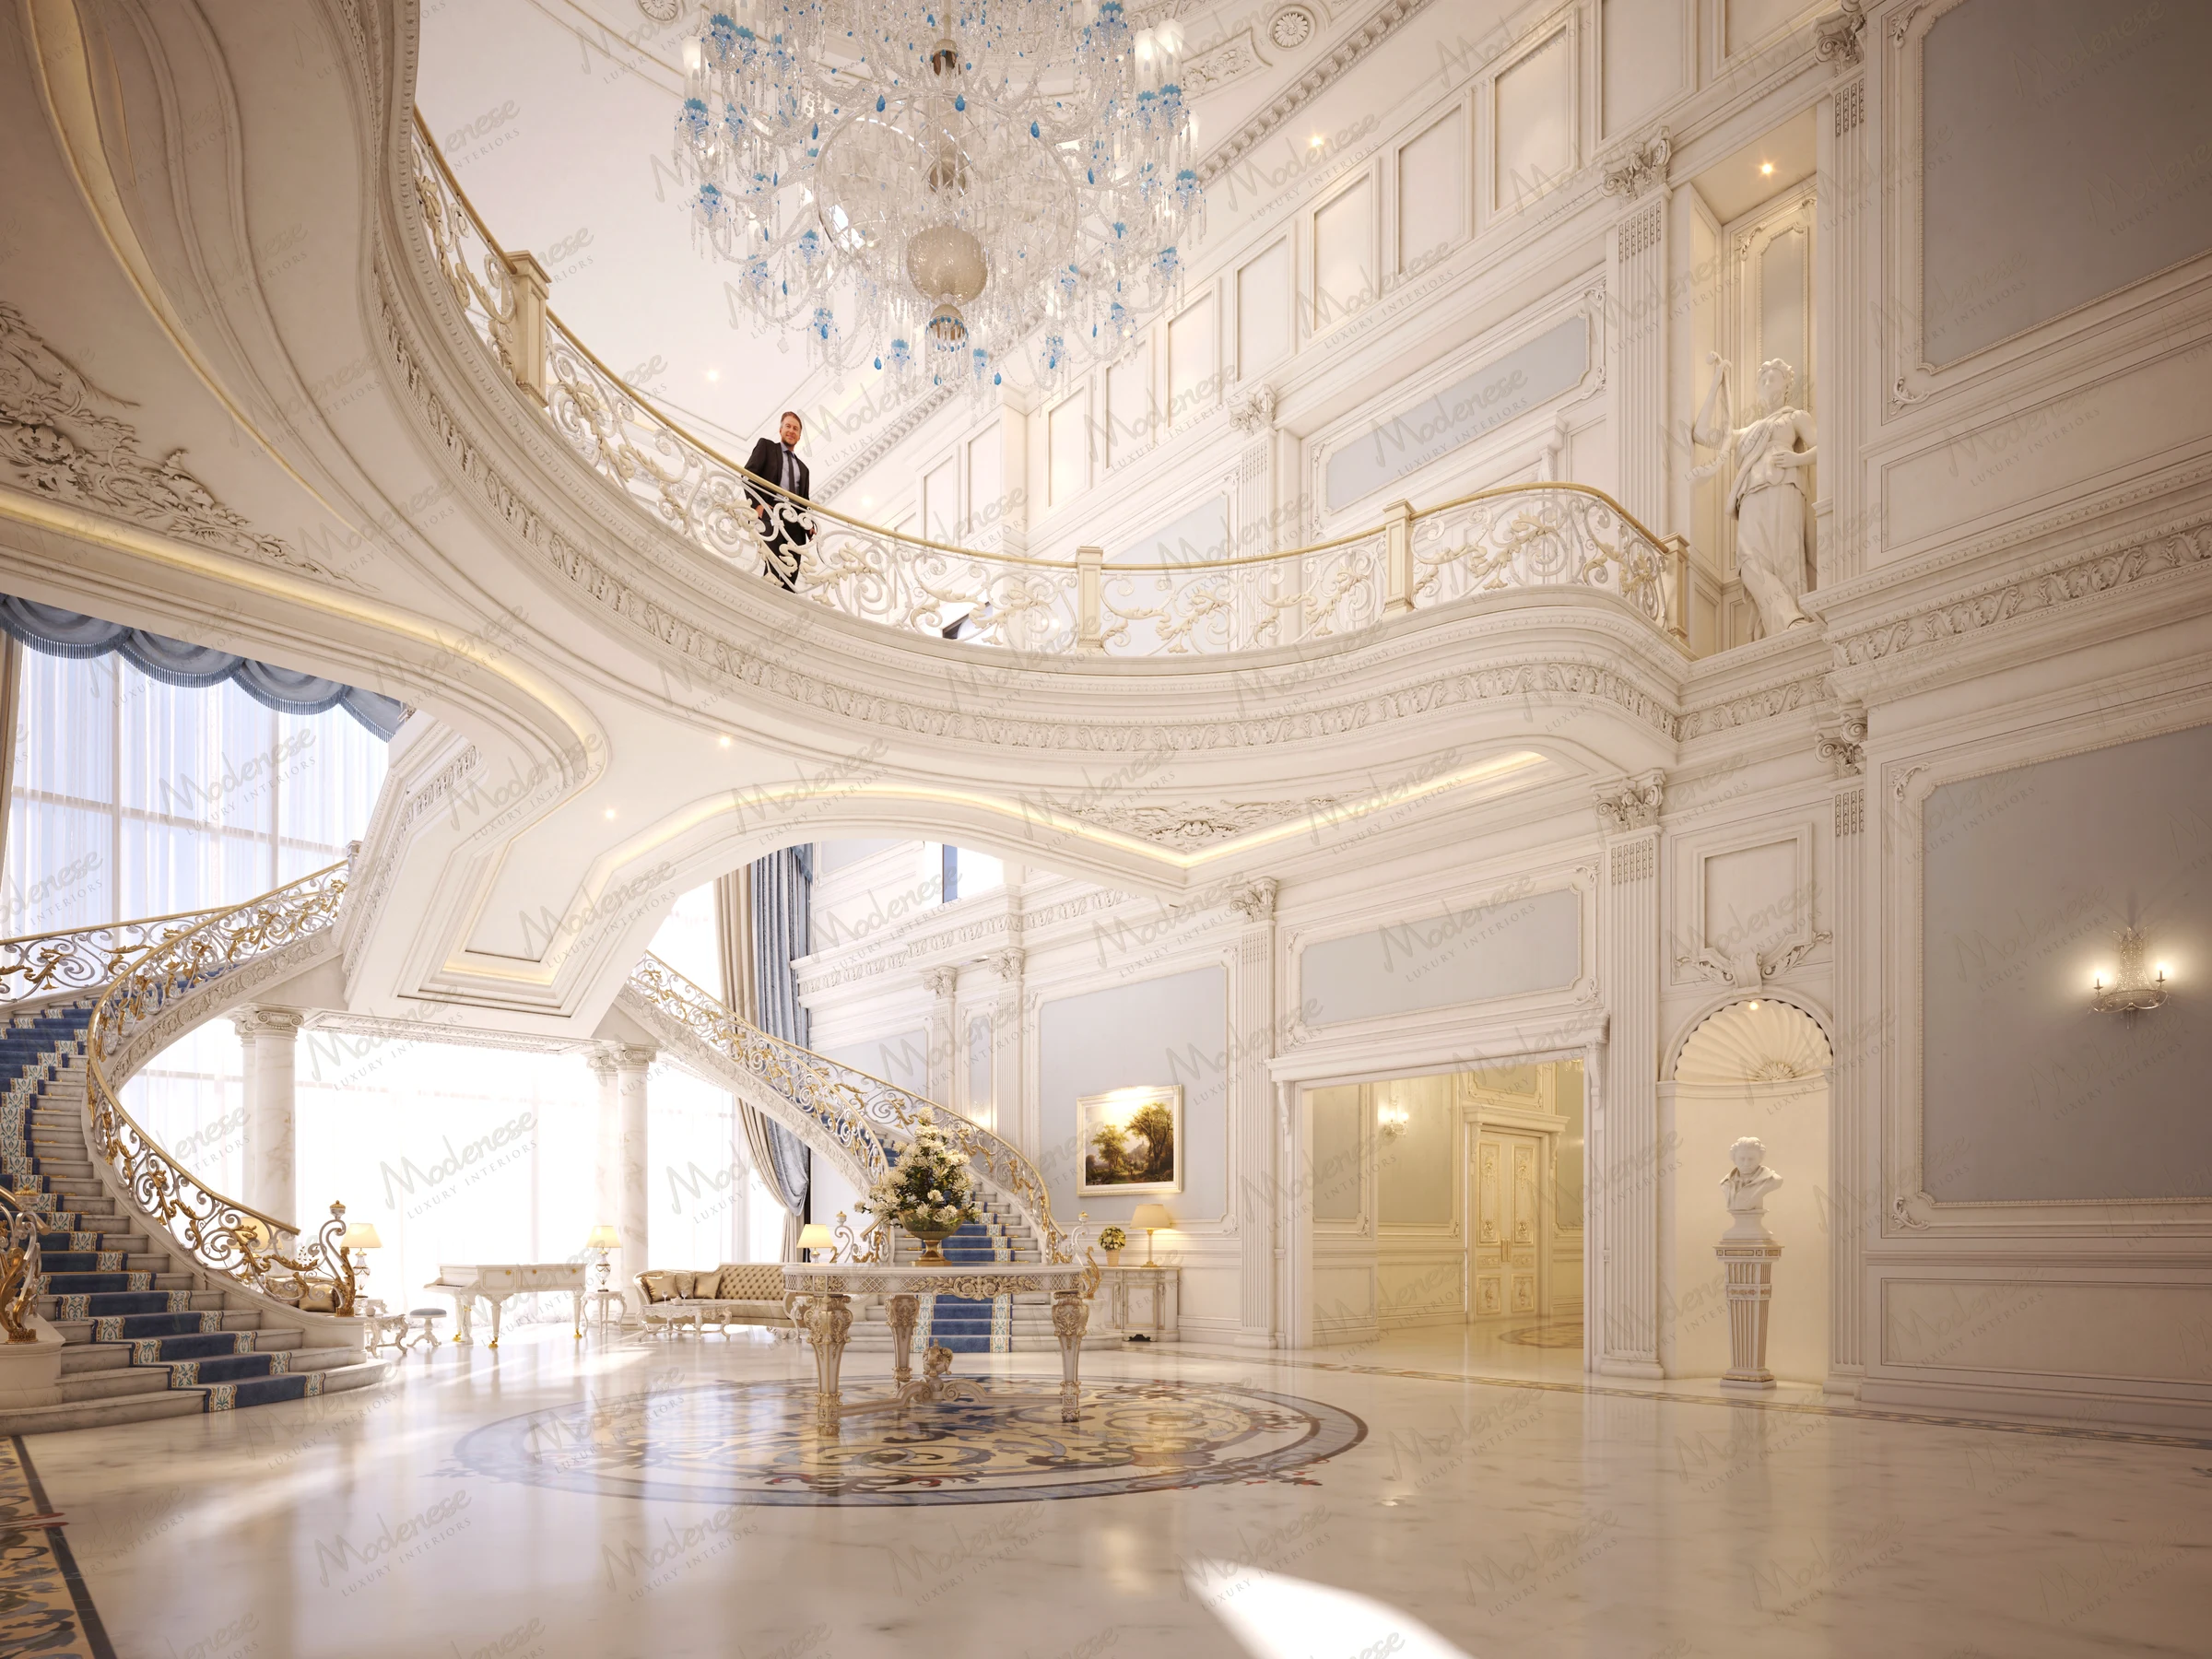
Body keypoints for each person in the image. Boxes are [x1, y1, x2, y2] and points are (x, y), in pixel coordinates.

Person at [1690, 355, 1817, 638]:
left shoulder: (1795, 417)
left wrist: (1797, 460)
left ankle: (1791, 622)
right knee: (1748, 562)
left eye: (1773, 378)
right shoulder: (1747, 433)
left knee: (1785, 554)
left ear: (1787, 385)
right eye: (1762, 380)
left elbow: (1825, 446)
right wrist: (1716, 381)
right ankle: (1787, 618)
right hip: (1749, 495)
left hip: (1783, 487)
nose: (1766, 383)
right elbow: (1701, 433)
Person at [743, 410, 812, 591]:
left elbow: (804, 501)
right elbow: (748, 475)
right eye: (788, 426)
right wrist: (757, 505)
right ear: (780, 430)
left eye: (795, 429)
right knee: (773, 565)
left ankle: (783, 604)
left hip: (795, 523)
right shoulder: (766, 447)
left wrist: (809, 525)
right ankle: (766, 599)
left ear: (799, 436)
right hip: (771, 512)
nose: (791, 431)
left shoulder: (804, 469)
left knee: (791, 574)